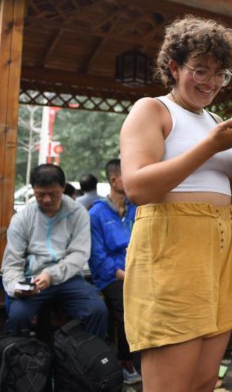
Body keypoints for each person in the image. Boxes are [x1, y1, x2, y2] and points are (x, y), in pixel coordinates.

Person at [120, 15, 232, 392]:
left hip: (219, 253)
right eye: (200, 70)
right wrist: (211, 146)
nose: (211, 82)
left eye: (220, 74)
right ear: (174, 67)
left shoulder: (215, 120)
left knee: (203, 383)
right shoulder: (152, 110)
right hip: (172, 252)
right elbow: (137, 187)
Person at [1, 164, 108, 338]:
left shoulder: (77, 213)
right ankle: (21, 354)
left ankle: (87, 354)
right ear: (33, 190)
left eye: (53, 193)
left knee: (97, 310)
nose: (47, 199)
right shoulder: (22, 218)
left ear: (63, 188)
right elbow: (12, 262)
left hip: (68, 277)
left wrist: (51, 275)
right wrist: (16, 287)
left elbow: (79, 254)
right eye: (40, 194)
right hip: (32, 278)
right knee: (18, 315)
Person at [88, 158, 141, 384]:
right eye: (129, 175)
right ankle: (125, 361)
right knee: (127, 304)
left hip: (136, 270)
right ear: (114, 179)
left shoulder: (135, 208)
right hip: (110, 276)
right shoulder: (96, 213)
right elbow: (97, 256)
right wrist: (124, 275)